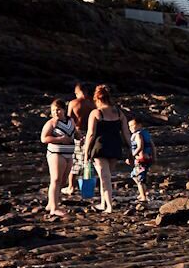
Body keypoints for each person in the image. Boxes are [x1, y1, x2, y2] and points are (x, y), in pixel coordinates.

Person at [82, 84, 131, 214]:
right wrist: (131, 149)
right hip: (115, 147)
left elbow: (91, 134)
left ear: (97, 99)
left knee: (104, 177)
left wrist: (86, 151)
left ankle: (108, 206)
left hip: (100, 147)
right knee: (106, 176)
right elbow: (126, 133)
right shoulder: (119, 113)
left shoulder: (96, 113)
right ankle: (104, 203)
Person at [40, 98, 75, 218]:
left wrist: (80, 136)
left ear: (64, 110)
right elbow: (44, 138)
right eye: (53, 110)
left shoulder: (70, 120)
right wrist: (59, 139)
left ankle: (51, 203)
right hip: (56, 153)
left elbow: (73, 132)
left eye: (58, 110)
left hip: (69, 153)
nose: (55, 112)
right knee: (55, 179)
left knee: (63, 180)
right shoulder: (51, 123)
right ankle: (54, 208)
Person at [127, 116, 155, 202]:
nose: (130, 128)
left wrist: (131, 156)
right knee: (134, 175)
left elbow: (140, 147)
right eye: (129, 126)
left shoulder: (138, 135)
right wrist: (154, 156)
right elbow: (153, 146)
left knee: (139, 178)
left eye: (133, 125)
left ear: (139, 125)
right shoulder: (145, 133)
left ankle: (143, 196)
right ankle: (144, 192)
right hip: (147, 158)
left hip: (141, 160)